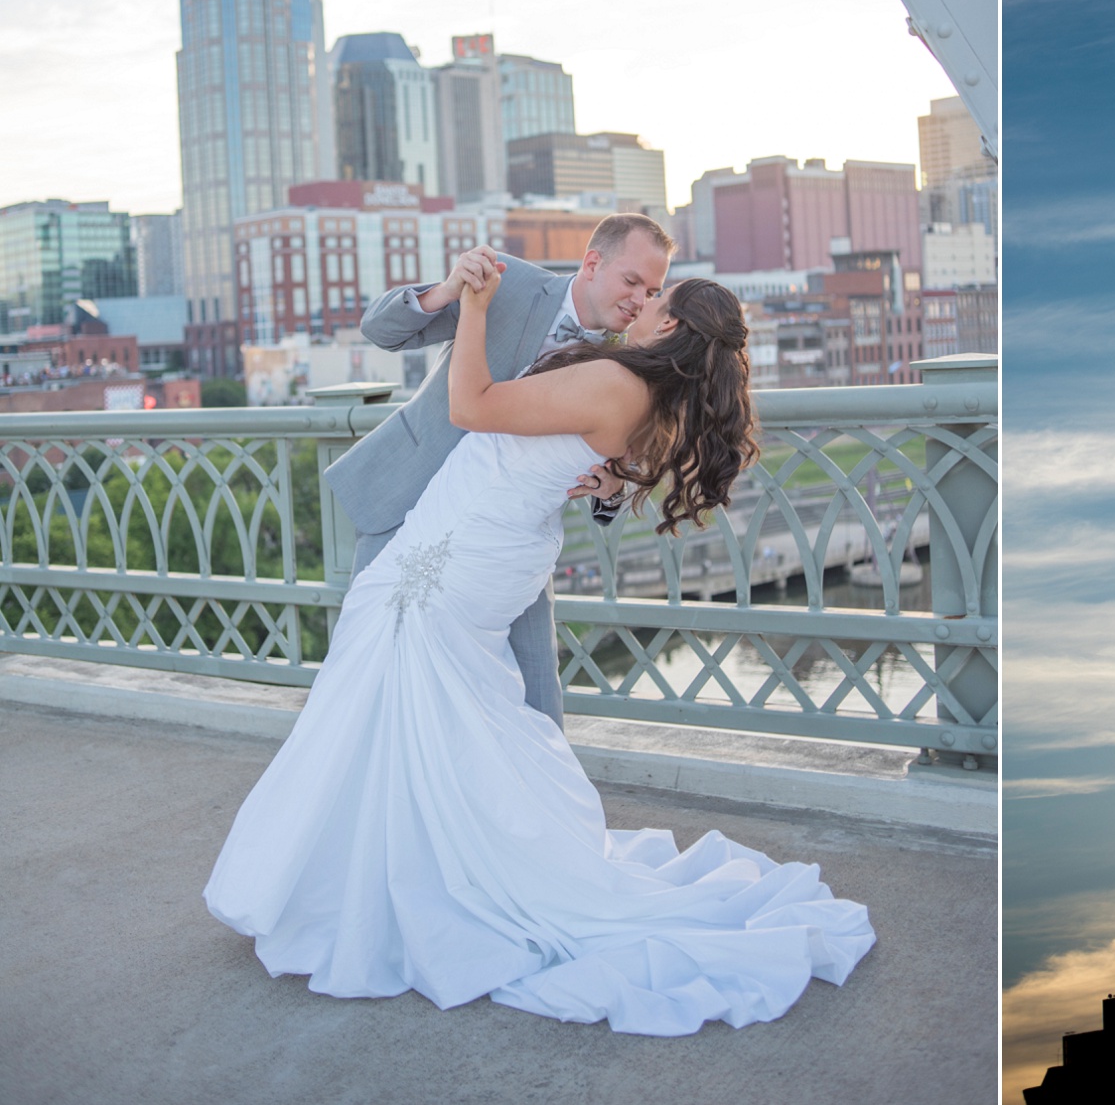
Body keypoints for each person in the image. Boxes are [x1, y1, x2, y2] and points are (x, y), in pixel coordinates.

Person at [204, 269, 876, 1034]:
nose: (642, 303)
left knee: (404, 694)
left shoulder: (616, 380)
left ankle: (394, 886)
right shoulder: (646, 395)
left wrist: (478, 310)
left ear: (670, 327)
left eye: (655, 298)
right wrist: (599, 476)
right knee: (435, 705)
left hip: (459, 551)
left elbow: (471, 406)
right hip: (490, 545)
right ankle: (398, 870)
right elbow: (595, 468)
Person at [325, 214, 676, 729]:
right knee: (376, 661)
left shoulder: (629, 364)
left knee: (537, 686)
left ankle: (536, 802)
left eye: (653, 291)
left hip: (509, 541)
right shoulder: (506, 281)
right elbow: (380, 331)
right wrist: (445, 290)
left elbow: (626, 466)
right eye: (632, 282)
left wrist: (612, 487)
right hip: (413, 506)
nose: (640, 301)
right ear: (593, 262)